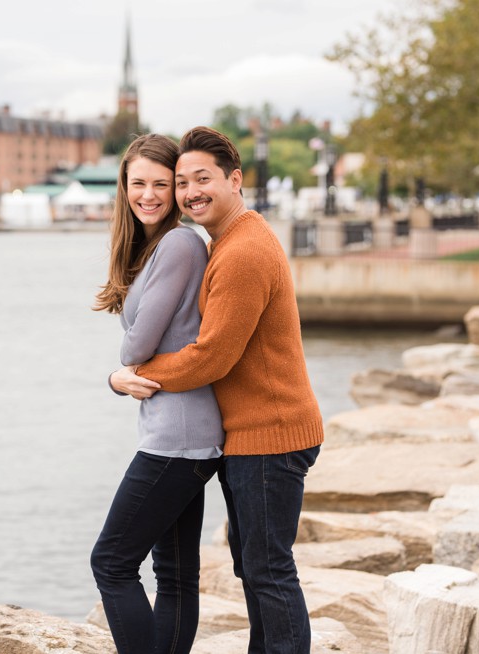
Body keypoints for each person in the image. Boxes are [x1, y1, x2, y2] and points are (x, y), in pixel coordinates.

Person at [110, 126, 324, 654]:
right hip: (250, 434)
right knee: (254, 570)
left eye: (200, 179)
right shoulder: (228, 242)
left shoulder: (244, 251)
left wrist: (132, 377)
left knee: (268, 571)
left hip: (271, 433)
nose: (189, 192)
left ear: (235, 180)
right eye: (182, 182)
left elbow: (212, 357)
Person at [91, 133, 224, 654]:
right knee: (173, 574)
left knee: (112, 562)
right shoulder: (155, 249)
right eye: (137, 183)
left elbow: (137, 346)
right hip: (182, 434)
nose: (148, 194)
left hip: (176, 438)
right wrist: (119, 375)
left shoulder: (179, 243)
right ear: (123, 187)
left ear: (177, 188)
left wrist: (120, 373)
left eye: (161, 184)